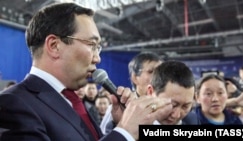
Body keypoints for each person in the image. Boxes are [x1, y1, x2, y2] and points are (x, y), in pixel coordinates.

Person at [0, 3, 173, 141]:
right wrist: (125, 132)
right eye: (92, 45)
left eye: (98, 48)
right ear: (54, 46)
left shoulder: (72, 100)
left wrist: (117, 125)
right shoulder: (11, 105)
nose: (97, 58)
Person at [100, 51, 163, 134]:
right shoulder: (118, 108)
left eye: (161, 72)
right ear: (135, 77)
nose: (158, 76)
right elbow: (104, 136)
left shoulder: (169, 106)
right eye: (151, 71)